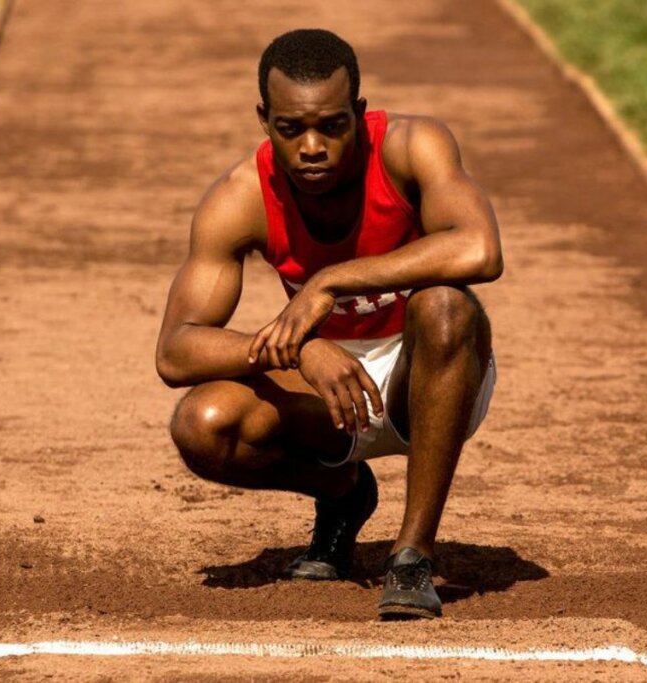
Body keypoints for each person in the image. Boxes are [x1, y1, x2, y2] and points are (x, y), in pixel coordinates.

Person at [156, 28, 502, 620]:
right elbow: (177, 352)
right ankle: (344, 494)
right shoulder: (240, 197)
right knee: (203, 424)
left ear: (359, 115)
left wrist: (329, 280)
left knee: (445, 304)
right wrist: (299, 352)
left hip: (432, 368)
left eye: (332, 126)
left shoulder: (413, 145)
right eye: (291, 129)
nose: (312, 146)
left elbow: (479, 250)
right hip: (324, 391)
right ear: (265, 120)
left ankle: (412, 554)